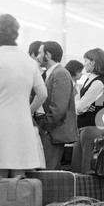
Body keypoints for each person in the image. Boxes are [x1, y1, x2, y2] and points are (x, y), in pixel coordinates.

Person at [0, 14, 48, 178]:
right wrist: (28, 110)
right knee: (19, 176)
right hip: (22, 123)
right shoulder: (29, 62)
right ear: (16, 34)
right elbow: (42, 94)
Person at [35, 41, 77, 170]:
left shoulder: (61, 74)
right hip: (49, 131)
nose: (37, 56)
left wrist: (45, 127)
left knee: (48, 170)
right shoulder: (49, 74)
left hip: (52, 132)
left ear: (48, 55)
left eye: (40, 52)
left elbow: (59, 107)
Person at [71, 49, 104, 174]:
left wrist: (82, 106)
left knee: (86, 170)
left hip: (91, 129)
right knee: (76, 169)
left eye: (86, 61)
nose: (84, 64)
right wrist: (82, 106)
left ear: (93, 62)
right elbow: (78, 103)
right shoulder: (89, 79)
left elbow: (79, 107)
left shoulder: (98, 83)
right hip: (83, 129)